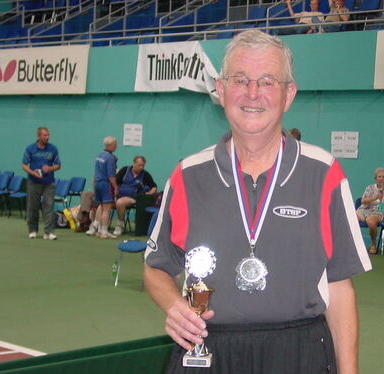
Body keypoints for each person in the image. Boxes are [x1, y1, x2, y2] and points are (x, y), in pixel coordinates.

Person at [144, 30, 371, 374]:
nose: (253, 93)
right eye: (240, 80)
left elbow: (339, 289)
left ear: (288, 94)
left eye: (267, 81)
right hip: (207, 349)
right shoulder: (188, 176)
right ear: (220, 90)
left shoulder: (324, 173)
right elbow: (156, 266)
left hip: (298, 352)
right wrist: (174, 304)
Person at [21, 126, 61, 240]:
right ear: (38, 136)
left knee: (48, 206)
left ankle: (49, 232)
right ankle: (32, 230)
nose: (47, 137)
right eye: (45, 135)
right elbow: (24, 164)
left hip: (49, 182)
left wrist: (50, 168)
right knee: (32, 206)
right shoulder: (30, 149)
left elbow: (58, 165)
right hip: (33, 182)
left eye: (48, 135)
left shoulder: (53, 149)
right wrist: (32, 173)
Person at [356, 167, 384, 254]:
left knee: (371, 222)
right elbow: (363, 201)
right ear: (375, 178)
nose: (381, 178)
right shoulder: (370, 188)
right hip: (365, 209)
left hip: (379, 212)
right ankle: (352, 245)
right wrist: (374, 197)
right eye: (379, 176)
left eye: (383, 177)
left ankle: (373, 244)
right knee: (350, 219)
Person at [111, 155, 158, 236]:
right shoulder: (124, 170)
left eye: (143, 165)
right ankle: (98, 226)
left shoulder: (145, 175)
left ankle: (120, 225)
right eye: (139, 165)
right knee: (104, 204)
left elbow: (154, 187)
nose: (141, 167)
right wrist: (114, 195)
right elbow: (115, 183)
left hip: (133, 198)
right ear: (134, 164)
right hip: (119, 196)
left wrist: (149, 193)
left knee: (120, 202)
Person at [87, 136, 118, 239]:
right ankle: (104, 231)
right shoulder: (110, 158)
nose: (116, 146)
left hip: (97, 183)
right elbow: (111, 175)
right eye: (115, 145)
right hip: (106, 184)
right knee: (107, 209)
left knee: (100, 207)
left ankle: (99, 229)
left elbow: (96, 171)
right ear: (111, 145)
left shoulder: (99, 155)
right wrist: (115, 186)